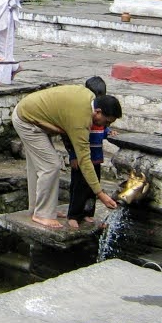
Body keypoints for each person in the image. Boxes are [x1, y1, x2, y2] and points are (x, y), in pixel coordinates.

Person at [12, 83, 121, 229]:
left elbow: (64, 122)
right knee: (51, 166)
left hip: (32, 113)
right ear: (98, 112)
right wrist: (100, 194)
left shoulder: (89, 98)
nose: (104, 125)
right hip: (26, 120)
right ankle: (42, 214)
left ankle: (37, 208)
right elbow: (85, 161)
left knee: (38, 166)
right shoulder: (81, 120)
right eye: (106, 121)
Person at [61, 76, 108, 227]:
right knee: (79, 188)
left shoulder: (101, 118)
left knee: (92, 189)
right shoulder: (80, 116)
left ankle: (88, 213)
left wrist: (109, 132)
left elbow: (104, 129)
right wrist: (73, 156)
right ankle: (74, 215)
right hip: (81, 159)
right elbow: (69, 136)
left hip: (95, 159)